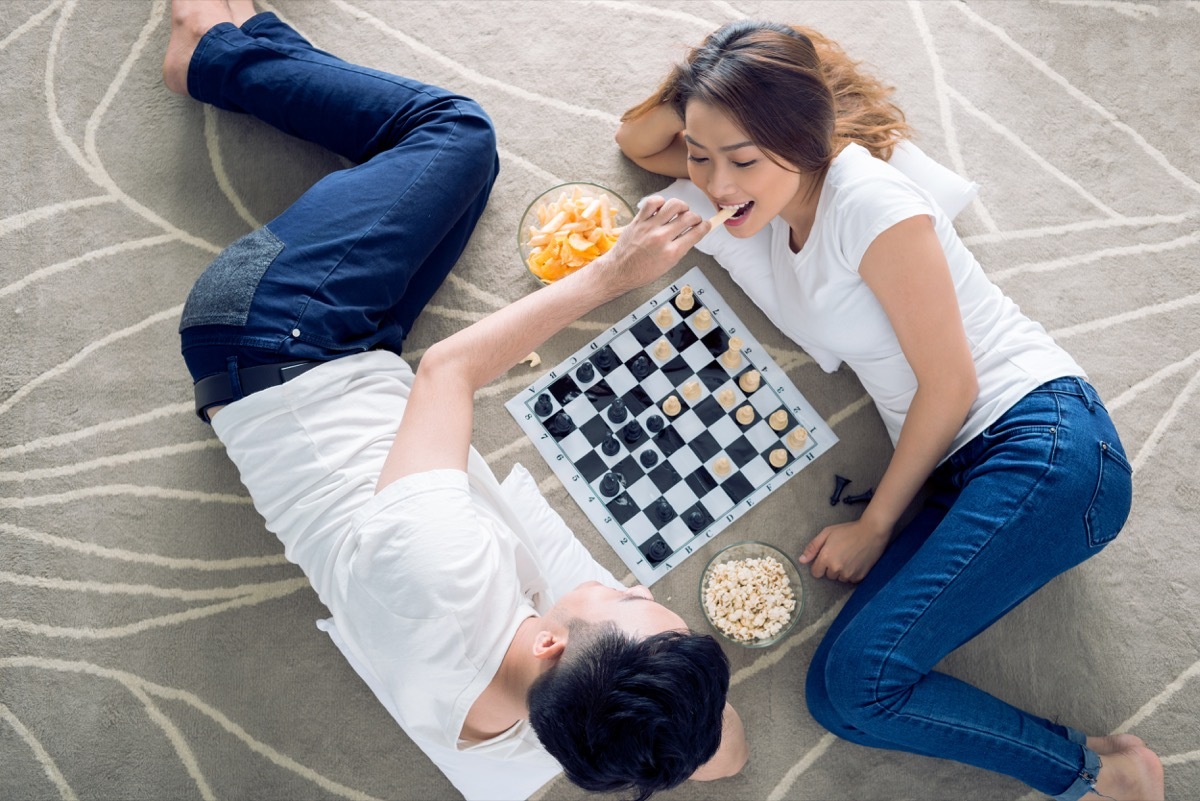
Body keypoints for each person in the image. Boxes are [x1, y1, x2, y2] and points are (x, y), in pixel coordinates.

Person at [162, 2, 747, 800]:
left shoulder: (443, 566)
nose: (637, 587)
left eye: (624, 601)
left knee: (457, 134)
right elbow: (729, 754)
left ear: (546, 640)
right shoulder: (541, 749)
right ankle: (259, 48)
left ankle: (213, 57)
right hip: (360, 367)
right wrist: (669, 712)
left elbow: (449, 369)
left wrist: (614, 274)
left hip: (267, 334)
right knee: (463, 186)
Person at [615, 19, 1164, 801]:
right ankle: (1094, 767)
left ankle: (1101, 777)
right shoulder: (770, 195)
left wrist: (875, 526)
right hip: (958, 466)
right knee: (844, 693)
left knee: (858, 684)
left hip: (1040, 441)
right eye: (701, 155)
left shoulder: (870, 200)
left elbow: (953, 385)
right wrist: (709, 76)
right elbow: (639, 141)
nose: (713, 183)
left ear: (804, 137)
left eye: (740, 158)